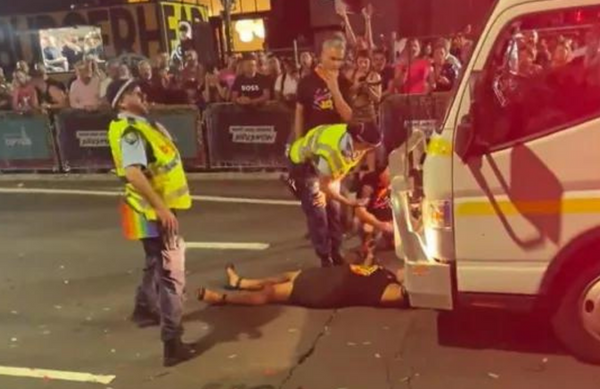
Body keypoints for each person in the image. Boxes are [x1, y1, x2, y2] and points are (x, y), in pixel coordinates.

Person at [105, 79, 195, 367]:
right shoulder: (131, 131)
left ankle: (144, 308)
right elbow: (133, 173)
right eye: (133, 92)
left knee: (155, 262)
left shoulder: (143, 125)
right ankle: (172, 343)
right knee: (172, 275)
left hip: (149, 209)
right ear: (122, 103)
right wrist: (161, 208)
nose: (142, 94)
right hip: (154, 211)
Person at [288, 122, 383, 267]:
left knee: (334, 210)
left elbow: (341, 169)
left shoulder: (357, 143)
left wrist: (333, 189)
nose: (371, 150)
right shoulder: (330, 152)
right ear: (359, 141)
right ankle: (325, 257)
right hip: (304, 165)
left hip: (324, 170)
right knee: (318, 212)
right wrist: (348, 202)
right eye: (369, 147)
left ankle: (336, 253)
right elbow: (324, 184)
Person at [197, 263, 408, 309]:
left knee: (269, 293)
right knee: (284, 275)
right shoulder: (387, 274)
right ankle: (240, 283)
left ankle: (221, 298)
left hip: (324, 290)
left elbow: (404, 296)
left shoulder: (391, 290)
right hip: (326, 276)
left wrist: (410, 286)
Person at [294, 37, 353, 139]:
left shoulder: (344, 82)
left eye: (339, 59)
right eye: (332, 58)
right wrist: (299, 141)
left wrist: (335, 90)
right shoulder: (306, 81)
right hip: (313, 140)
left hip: (337, 140)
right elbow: (299, 113)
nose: (336, 63)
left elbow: (348, 117)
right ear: (322, 55)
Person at [356, 164, 394, 266]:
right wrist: (379, 224)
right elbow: (360, 211)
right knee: (365, 227)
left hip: (394, 222)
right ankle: (367, 253)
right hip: (376, 223)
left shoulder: (399, 182)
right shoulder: (369, 183)